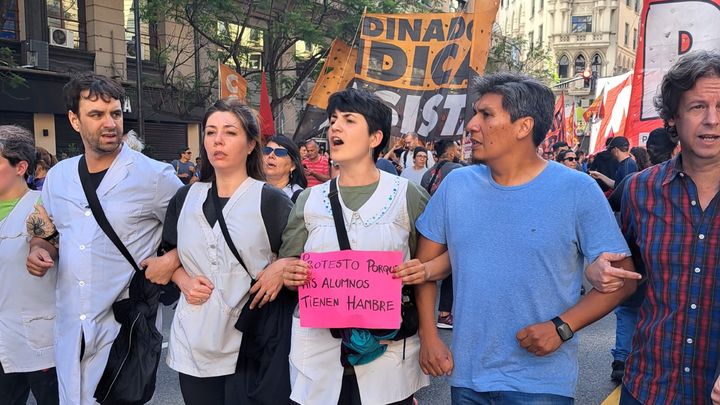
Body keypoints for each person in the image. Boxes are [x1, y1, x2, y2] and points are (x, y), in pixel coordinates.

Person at [414, 73, 638, 403]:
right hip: (467, 378)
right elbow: (424, 269)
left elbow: (625, 279)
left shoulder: (577, 190)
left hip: (542, 384)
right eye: (475, 113)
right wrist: (429, 335)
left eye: (486, 115)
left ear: (523, 127)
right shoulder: (456, 186)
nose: (472, 125)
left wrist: (563, 327)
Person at [25, 73, 182, 404]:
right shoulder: (59, 177)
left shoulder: (154, 177)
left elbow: (199, 225)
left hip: (124, 327)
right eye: (96, 115)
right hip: (71, 324)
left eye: (115, 113)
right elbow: (43, 230)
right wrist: (39, 249)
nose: (110, 123)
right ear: (74, 120)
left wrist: (171, 259)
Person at [586, 50, 720, 405]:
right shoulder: (640, 191)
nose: (711, 120)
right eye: (697, 107)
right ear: (673, 118)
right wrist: (601, 269)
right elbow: (627, 275)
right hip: (648, 388)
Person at [281, 88, 430, 405]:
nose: (335, 127)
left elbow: (428, 269)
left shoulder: (408, 196)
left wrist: (421, 273)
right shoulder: (309, 200)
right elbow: (288, 262)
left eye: (349, 120)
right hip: (319, 357)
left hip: (388, 357)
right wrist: (290, 274)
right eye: (333, 120)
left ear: (375, 137)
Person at [155, 99, 294, 404]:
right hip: (194, 340)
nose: (217, 140)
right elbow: (169, 255)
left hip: (252, 342)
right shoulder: (185, 198)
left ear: (250, 144)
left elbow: (299, 257)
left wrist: (282, 267)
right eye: (211, 132)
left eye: (230, 132)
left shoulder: (271, 201)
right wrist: (183, 281)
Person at [604, 127, 679, 384]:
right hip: (661, 272)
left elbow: (611, 206)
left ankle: (623, 359)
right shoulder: (641, 182)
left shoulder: (635, 181)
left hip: (633, 263)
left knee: (629, 311)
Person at [0, 125, 59, 404]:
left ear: (20, 166)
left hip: (38, 342)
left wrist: (39, 250)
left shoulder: (41, 206)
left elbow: (47, 240)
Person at [420, 139, 464, 330]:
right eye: (456, 148)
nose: (459, 151)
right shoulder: (457, 171)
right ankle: (444, 313)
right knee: (449, 269)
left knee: (424, 271)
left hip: (429, 227)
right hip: (451, 225)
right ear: (451, 151)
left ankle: (425, 319)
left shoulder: (427, 173)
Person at [263, 134, 308, 202]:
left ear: (293, 165)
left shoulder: (300, 197)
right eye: (267, 150)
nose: (271, 155)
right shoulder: (252, 191)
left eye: (279, 152)